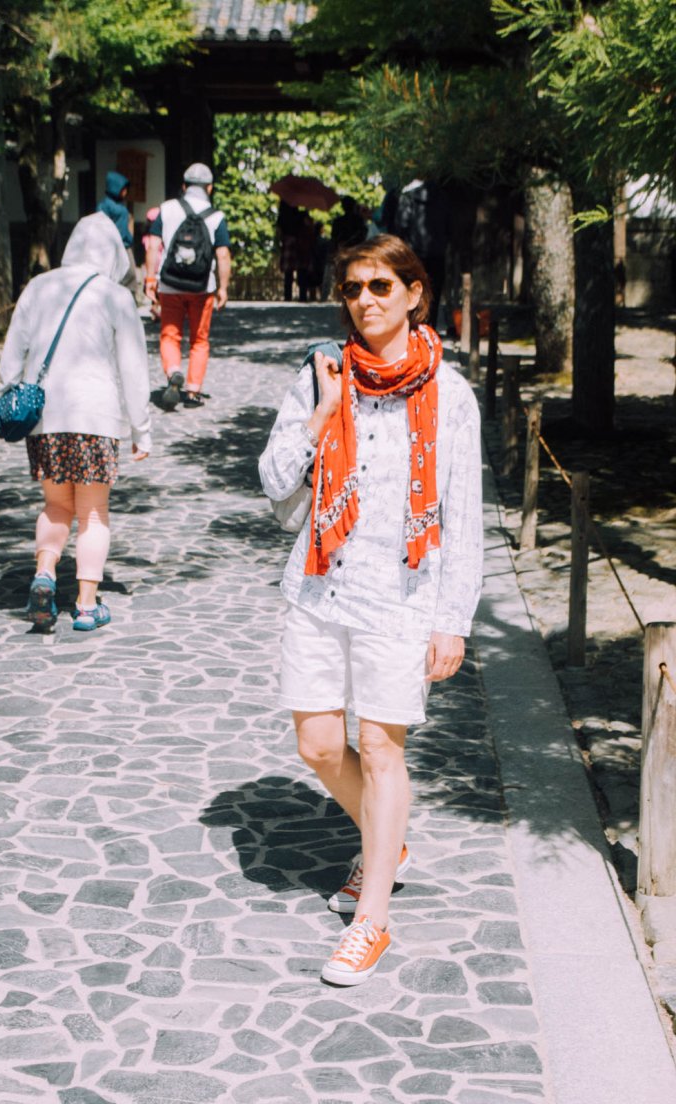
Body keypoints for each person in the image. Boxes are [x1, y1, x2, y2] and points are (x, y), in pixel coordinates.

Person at [259, 234, 483, 986]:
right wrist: (323, 414)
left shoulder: (451, 395)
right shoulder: (323, 374)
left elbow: (464, 514)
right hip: (321, 587)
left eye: (383, 286)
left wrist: (454, 618)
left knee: (383, 751)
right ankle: (385, 842)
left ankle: (372, 919)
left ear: (415, 293)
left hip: (402, 595)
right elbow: (273, 480)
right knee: (318, 746)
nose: (367, 300)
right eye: (355, 287)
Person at [0, 212, 152, 632]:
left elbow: (10, 358)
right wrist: (141, 429)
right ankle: (86, 606)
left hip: (45, 418)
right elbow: (134, 368)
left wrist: (13, 391)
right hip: (96, 419)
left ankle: (45, 574)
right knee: (93, 513)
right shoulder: (115, 296)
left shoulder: (39, 286)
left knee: (56, 505)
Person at [144, 163, 231, 410]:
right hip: (202, 287)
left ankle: (173, 372)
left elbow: (153, 245)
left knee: (170, 334)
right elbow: (223, 254)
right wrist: (223, 288)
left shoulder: (167, 209)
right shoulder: (216, 216)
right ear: (210, 188)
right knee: (199, 340)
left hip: (170, 284)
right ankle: (193, 391)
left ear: (184, 186)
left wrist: (150, 278)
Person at [391, 178, 451, 328]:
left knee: (411, 293)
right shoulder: (444, 198)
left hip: (413, 255)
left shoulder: (408, 198)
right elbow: (450, 228)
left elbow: (401, 225)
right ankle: (430, 329)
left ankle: (412, 329)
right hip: (437, 254)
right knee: (434, 295)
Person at [97, 171, 138, 294]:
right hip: (111, 246)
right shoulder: (104, 205)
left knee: (130, 274)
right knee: (115, 276)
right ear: (116, 188)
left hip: (125, 245)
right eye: (123, 189)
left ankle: (129, 299)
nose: (125, 192)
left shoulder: (120, 205)